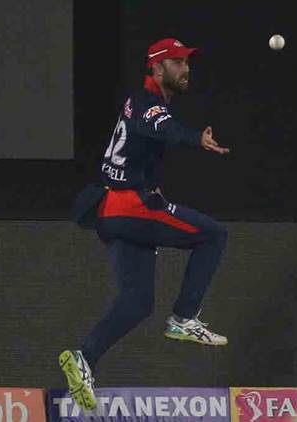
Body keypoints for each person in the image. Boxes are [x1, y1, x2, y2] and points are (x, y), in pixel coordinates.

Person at [60, 38, 231, 411]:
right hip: (128, 206)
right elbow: (163, 128)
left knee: (137, 302)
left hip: (112, 209)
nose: (185, 68)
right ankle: (184, 318)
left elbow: (147, 136)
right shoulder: (149, 104)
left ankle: (84, 358)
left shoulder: (141, 101)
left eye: (187, 62)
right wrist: (196, 139)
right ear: (157, 68)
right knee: (214, 235)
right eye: (177, 62)